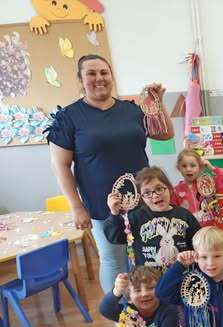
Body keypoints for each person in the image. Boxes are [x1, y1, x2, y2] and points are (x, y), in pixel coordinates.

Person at [47, 54, 174, 293]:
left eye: (104, 72)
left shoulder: (131, 110)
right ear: (80, 79)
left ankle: (150, 307)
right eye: (91, 73)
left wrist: (158, 102)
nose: (99, 78)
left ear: (111, 76)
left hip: (144, 200)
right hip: (103, 205)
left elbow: (165, 133)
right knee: (114, 260)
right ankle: (119, 311)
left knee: (149, 254)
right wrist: (76, 207)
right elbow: (60, 165)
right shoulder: (69, 117)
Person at [104, 166, 200, 269]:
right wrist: (114, 213)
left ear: (169, 188)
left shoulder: (184, 215)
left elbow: (199, 244)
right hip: (147, 277)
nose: (155, 195)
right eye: (147, 193)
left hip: (180, 275)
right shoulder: (135, 218)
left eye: (159, 189)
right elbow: (115, 237)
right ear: (141, 197)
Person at [170, 148, 223, 226]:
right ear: (179, 168)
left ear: (200, 167)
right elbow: (174, 213)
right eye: (184, 166)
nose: (188, 169)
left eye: (193, 165)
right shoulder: (176, 191)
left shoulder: (208, 184)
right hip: (189, 229)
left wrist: (212, 168)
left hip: (209, 228)